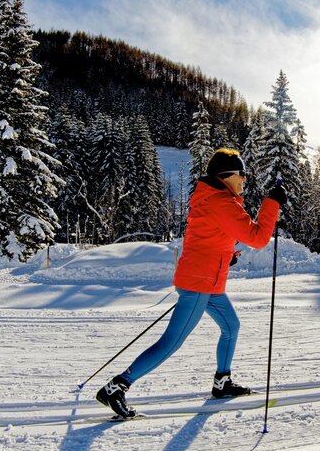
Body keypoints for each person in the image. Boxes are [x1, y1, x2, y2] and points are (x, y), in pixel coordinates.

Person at [96, 148, 287, 418]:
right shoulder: (220, 201)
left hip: (208, 280)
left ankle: (222, 382)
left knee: (231, 326)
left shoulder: (214, 198)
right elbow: (257, 238)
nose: (245, 179)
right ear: (227, 175)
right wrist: (272, 203)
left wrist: (227, 256)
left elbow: (210, 235)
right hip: (200, 282)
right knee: (172, 342)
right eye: (242, 174)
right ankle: (117, 387)